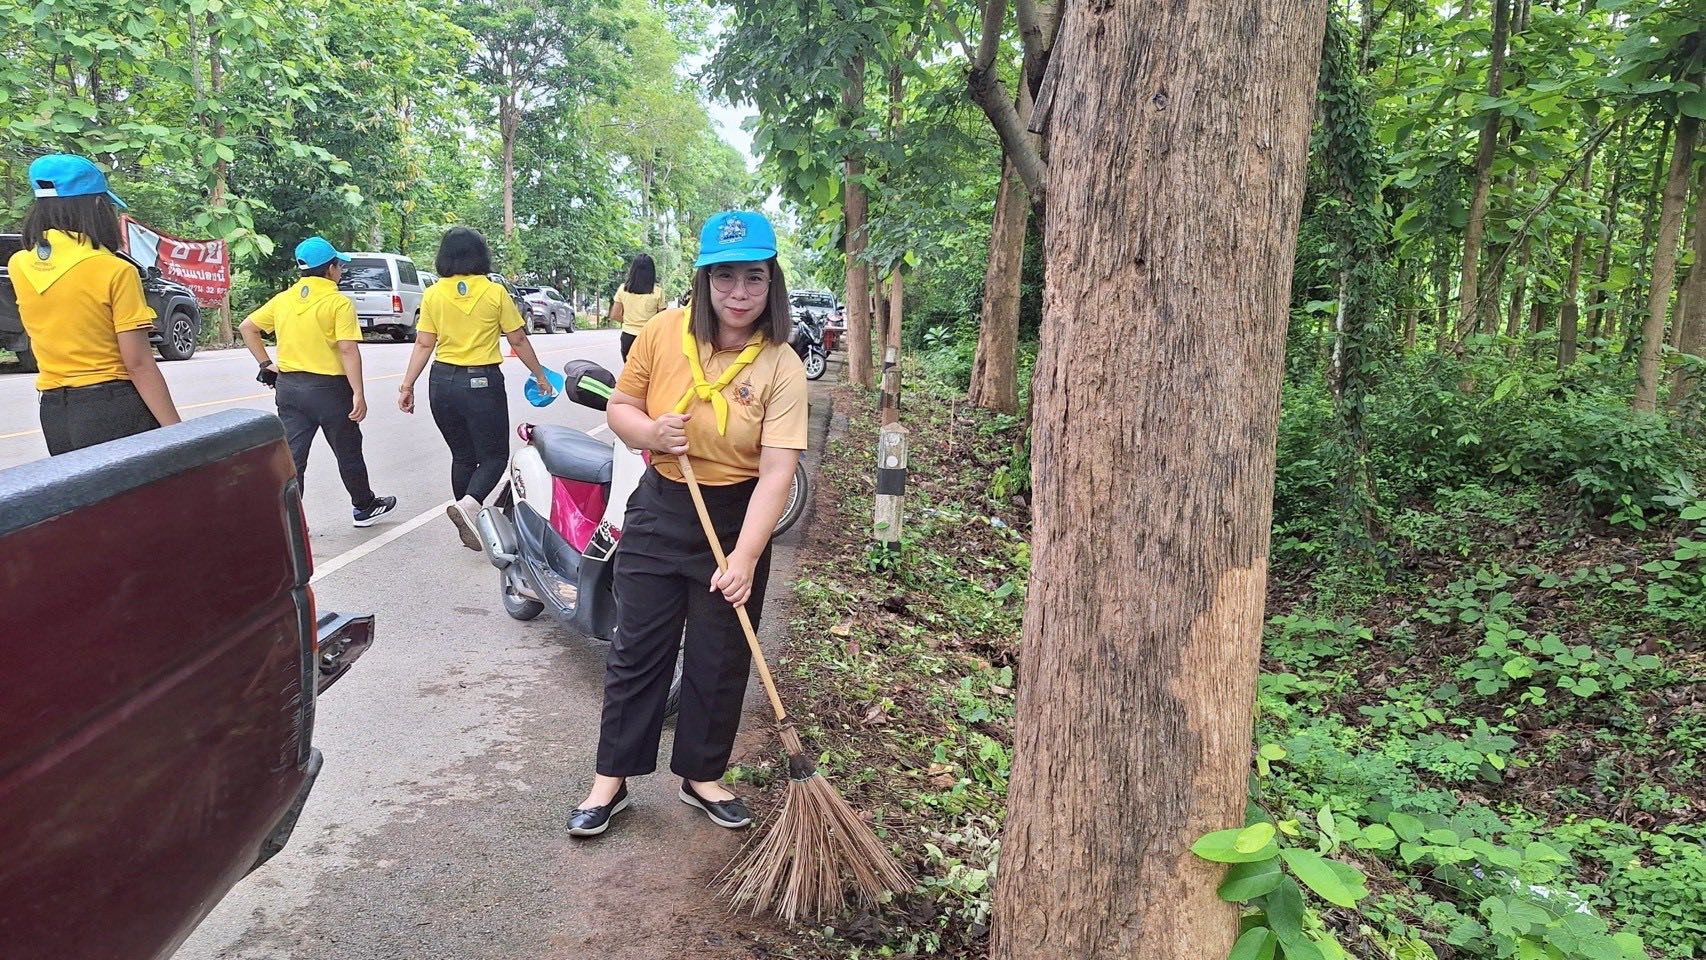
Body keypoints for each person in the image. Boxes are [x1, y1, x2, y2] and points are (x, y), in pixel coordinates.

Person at [567, 211, 808, 837]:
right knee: (637, 648)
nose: (738, 293)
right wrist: (650, 433)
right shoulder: (663, 331)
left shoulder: (781, 364)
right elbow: (621, 406)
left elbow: (778, 471)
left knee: (720, 654)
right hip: (662, 505)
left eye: (753, 278)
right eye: (724, 277)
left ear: (771, 282)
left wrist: (746, 557)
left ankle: (702, 776)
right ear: (703, 279)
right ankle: (611, 780)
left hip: (735, 518)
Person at [9, 154, 181, 454]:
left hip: (55, 413)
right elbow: (138, 364)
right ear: (98, 205)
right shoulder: (114, 270)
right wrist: (179, 434)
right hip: (113, 408)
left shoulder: (19, 264)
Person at [397, 227, 555, 549]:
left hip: (441, 382)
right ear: (480, 255)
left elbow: (424, 343)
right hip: (482, 383)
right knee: (495, 456)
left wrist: (407, 385)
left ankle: (467, 515)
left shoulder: (434, 294)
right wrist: (540, 376)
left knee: (462, 456)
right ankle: (469, 506)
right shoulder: (494, 292)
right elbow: (517, 339)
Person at [239, 236, 397, 527]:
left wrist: (265, 364)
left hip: (289, 388)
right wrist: (358, 392)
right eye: (339, 266)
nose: (340, 271)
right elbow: (347, 349)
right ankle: (363, 506)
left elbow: (248, 327)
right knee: (347, 449)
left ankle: (290, 522)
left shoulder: (284, 300)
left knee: (292, 456)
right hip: (330, 391)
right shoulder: (338, 303)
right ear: (330, 269)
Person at [611, 253, 664, 362]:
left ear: (633, 270)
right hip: (649, 338)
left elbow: (615, 315)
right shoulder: (658, 292)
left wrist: (629, 321)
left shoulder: (623, 289)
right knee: (650, 370)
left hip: (628, 337)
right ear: (651, 272)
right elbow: (662, 319)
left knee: (629, 370)